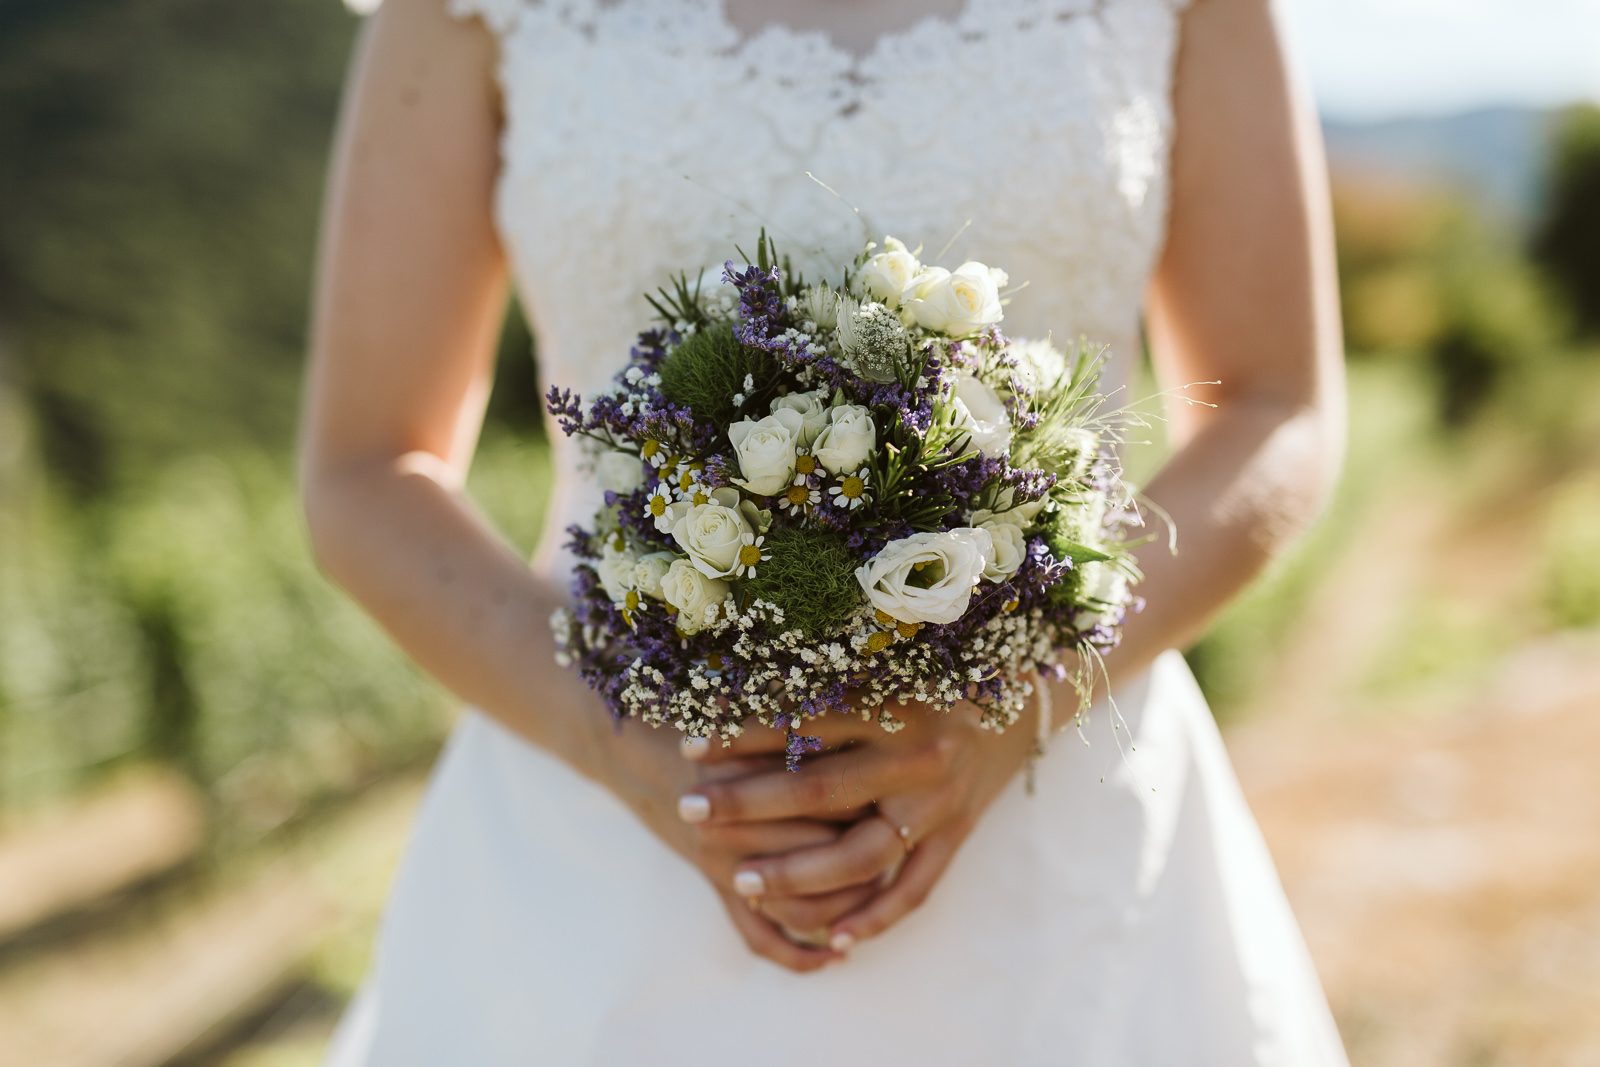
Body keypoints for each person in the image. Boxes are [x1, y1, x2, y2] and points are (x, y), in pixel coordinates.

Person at [301, 0, 1350, 1061]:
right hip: (598, 858)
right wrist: (625, 746)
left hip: (1058, 833)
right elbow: (363, 467)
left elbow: (1272, 404)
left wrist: (1020, 701)